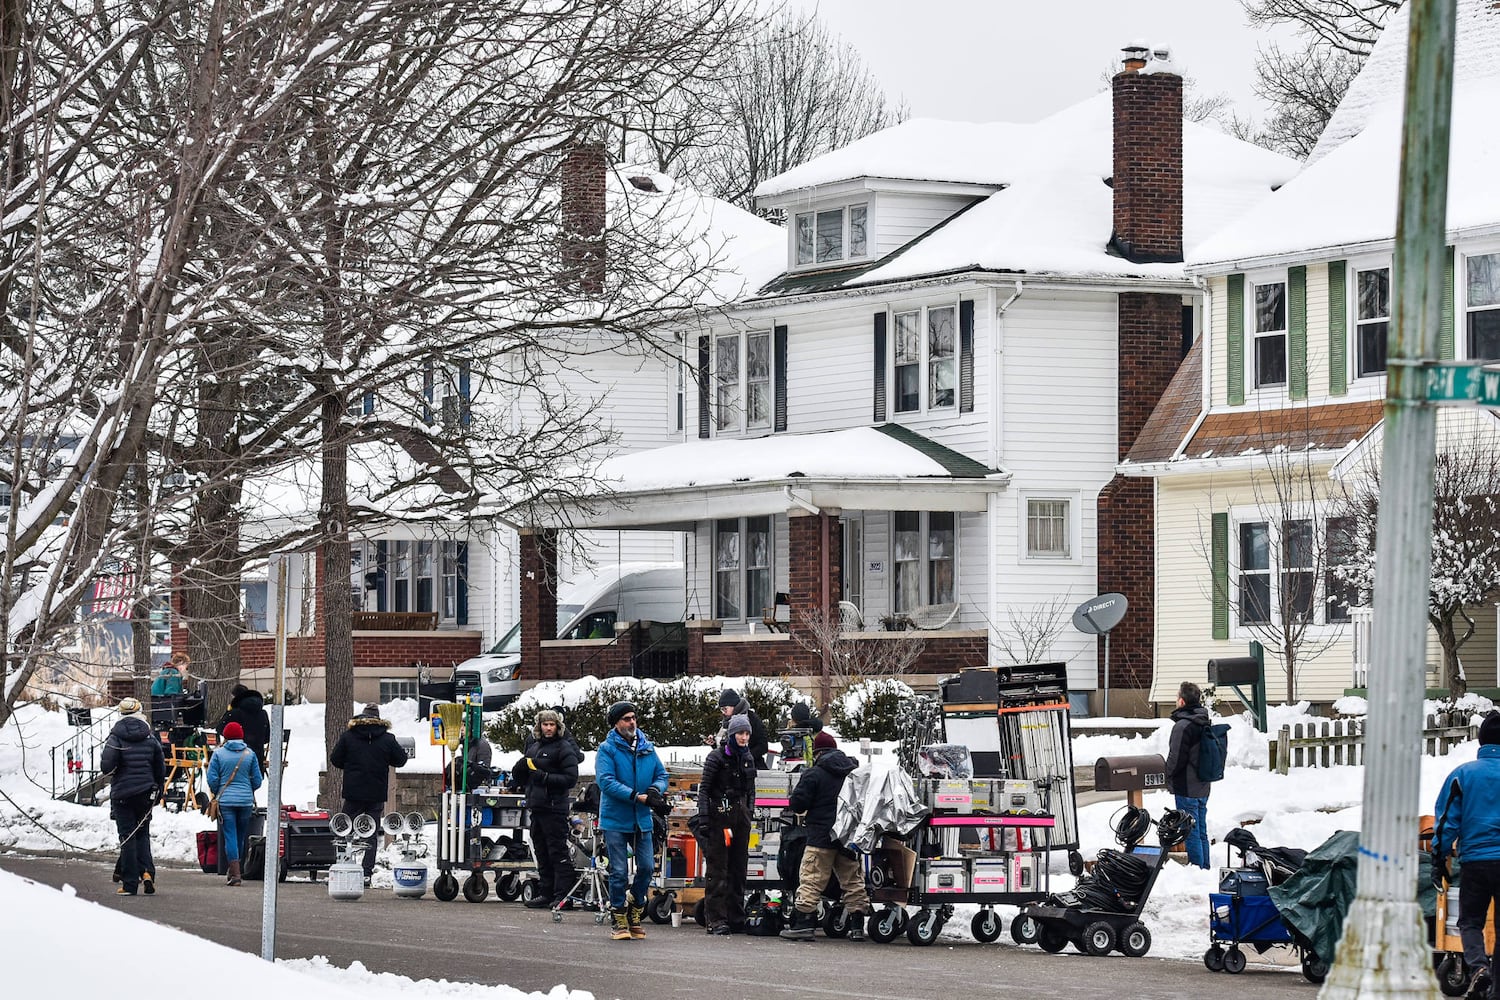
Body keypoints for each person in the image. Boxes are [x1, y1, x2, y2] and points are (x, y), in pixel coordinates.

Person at [1434, 712, 1500, 1000]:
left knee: (1470, 921)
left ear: (1481, 741)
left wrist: (1439, 859)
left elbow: (1446, 821)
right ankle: (1495, 988)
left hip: (1475, 861)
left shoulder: (1463, 774)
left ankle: (1477, 969)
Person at [780, 731, 868, 941]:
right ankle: (856, 927)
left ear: (818, 752)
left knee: (811, 879)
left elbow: (798, 804)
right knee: (852, 881)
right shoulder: (853, 773)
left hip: (820, 836)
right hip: (847, 836)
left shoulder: (814, 773)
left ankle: (804, 924)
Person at [595, 700, 667, 941]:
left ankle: (635, 909)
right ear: (616, 723)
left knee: (646, 867)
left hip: (642, 818)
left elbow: (661, 774)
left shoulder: (646, 746)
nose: (632, 722)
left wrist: (656, 790)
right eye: (626, 718)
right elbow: (606, 781)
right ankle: (618, 915)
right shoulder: (607, 749)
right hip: (615, 818)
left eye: (634, 717)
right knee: (618, 870)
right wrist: (637, 796)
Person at [329, 703, 410, 884]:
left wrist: (351, 767)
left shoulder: (349, 736)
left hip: (353, 790)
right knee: (370, 832)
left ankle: (344, 863)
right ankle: (366, 872)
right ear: (379, 719)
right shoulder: (388, 739)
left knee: (345, 827)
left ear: (361, 717)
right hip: (376, 791)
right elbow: (401, 760)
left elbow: (335, 759)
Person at [694, 713, 757, 934]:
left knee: (739, 869)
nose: (744, 737)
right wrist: (704, 818)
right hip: (720, 820)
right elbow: (704, 790)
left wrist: (750, 811)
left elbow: (751, 789)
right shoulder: (716, 758)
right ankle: (716, 918)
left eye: (747, 733)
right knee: (719, 869)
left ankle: (736, 916)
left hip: (741, 820)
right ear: (731, 734)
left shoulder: (748, 757)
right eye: (740, 733)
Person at [100, 697, 165, 896]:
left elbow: (106, 767)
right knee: (143, 834)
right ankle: (147, 873)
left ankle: (129, 883)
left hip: (123, 794)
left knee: (127, 837)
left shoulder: (115, 737)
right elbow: (160, 767)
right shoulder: (150, 737)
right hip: (145, 792)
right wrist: (158, 790)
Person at [519, 709, 582, 909]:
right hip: (536, 807)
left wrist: (545, 778)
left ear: (558, 727)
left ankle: (564, 895)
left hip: (555, 807)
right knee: (541, 851)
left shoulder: (564, 748)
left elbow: (570, 779)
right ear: (539, 726)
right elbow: (527, 774)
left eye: (552, 724)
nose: (548, 728)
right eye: (545, 724)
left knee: (558, 852)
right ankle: (546, 892)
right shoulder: (534, 747)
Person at [207, 721, 264, 886]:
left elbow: (212, 778)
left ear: (225, 736)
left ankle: (235, 874)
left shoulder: (218, 754)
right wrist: (247, 788)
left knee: (230, 835)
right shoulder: (249, 754)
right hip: (245, 801)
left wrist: (218, 790)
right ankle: (234, 869)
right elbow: (258, 781)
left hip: (225, 801)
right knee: (240, 835)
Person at [1164, 680, 1213, 869]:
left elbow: (1176, 759)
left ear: (1182, 702)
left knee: (1189, 829)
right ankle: (1205, 867)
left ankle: (1197, 869)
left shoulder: (1183, 726)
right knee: (1201, 829)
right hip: (1203, 785)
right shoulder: (1204, 721)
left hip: (1187, 786)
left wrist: (1168, 777)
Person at [219, 684, 272, 770]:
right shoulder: (263, 713)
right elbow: (267, 737)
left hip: (236, 762)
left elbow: (220, 729)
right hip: (257, 760)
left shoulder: (234, 713)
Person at [713, 688, 769, 768]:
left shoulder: (752, 719)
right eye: (722, 709)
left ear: (734, 706)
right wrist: (715, 743)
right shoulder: (726, 721)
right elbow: (726, 747)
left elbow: (763, 746)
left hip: (752, 767)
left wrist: (746, 756)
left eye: (725, 708)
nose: (723, 712)